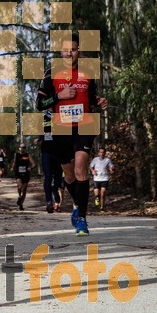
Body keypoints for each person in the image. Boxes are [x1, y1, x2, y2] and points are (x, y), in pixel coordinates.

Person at [36, 32, 108, 236]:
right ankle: (77, 205)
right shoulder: (51, 73)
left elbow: (91, 96)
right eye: (66, 50)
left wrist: (99, 102)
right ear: (61, 52)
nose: (69, 53)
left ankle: (82, 220)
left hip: (84, 125)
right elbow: (40, 103)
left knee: (80, 169)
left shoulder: (88, 72)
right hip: (61, 128)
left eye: (73, 49)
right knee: (68, 175)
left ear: (79, 51)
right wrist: (59, 96)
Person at [34, 111, 63, 213]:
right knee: (48, 176)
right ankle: (49, 202)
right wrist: (38, 138)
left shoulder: (61, 113)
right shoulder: (43, 117)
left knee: (58, 177)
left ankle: (55, 191)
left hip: (59, 152)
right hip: (46, 152)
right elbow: (39, 131)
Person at [90, 147, 114, 211]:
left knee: (103, 194)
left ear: (105, 153)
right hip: (96, 178)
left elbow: (111, 166)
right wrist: (92, 171)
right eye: (100, 152)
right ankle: (97, 198)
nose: (102, 153)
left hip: (104, 178)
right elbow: (91, 166)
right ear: (98, 153)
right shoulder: (95, 159)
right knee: (97, 194)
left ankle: (102, 207)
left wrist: (111, 169)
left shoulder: (107, 160)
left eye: (103, 152)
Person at [14, 143, 31, 209]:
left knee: (24, 190)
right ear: (19, 148)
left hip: (26, 174)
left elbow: (33, 164)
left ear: (25, 148)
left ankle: (21, 204)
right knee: (20, 186)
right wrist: (12, 167)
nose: (22, 148)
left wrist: (30, 167)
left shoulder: (27, 155)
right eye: (21, 147)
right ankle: (19, 196)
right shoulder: (17, 155)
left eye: (23, 147)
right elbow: (14, 162)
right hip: (18, 173)